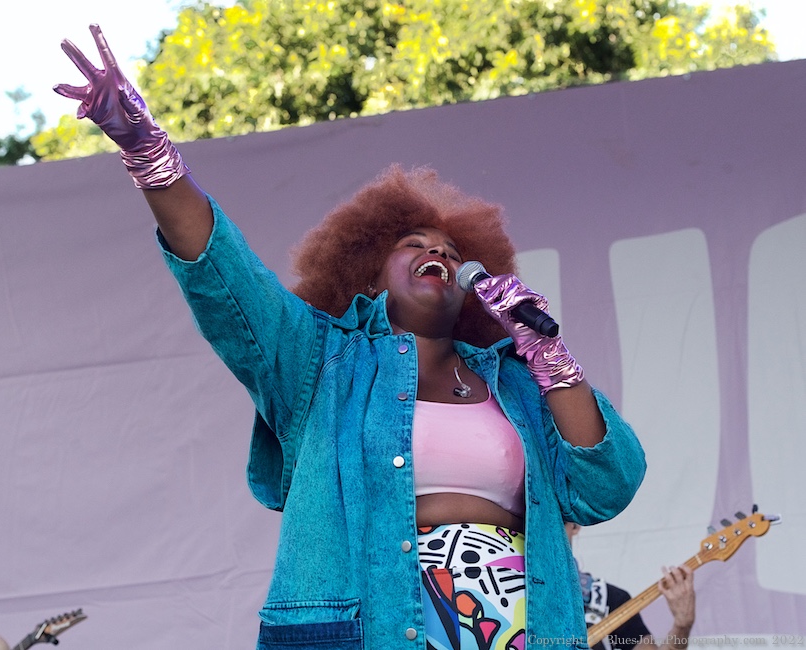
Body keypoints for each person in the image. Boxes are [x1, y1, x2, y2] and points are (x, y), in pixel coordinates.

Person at [55, 24, 647, 650]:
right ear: (368, 275)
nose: (437, 253)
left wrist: (549, 358)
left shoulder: (514, 380)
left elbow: (607, 485)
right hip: (369, 628)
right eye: (414, 246)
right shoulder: (319, 361)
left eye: (450, 250)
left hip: (517, 626)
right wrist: (148, 152)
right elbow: (228, 282)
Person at [565, 523, 696, 650]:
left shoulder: (610, 598)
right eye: (543, 522)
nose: (547, 533)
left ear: (575, 525)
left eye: (558, 520)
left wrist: (681, 626)